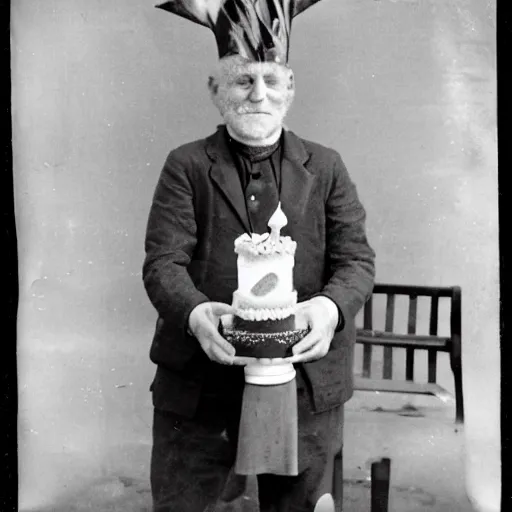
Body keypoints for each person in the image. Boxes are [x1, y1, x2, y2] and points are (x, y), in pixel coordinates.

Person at [143, 1, 375, 511]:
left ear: (290, 89)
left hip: (305, 385)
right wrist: (195, 312)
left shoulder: (327, 167)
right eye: (243, 80)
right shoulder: (186, 166)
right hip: (202, 385)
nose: (259, 94)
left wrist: (329, 309)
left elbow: (356, 260)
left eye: (271, 80)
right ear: (215, 90)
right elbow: (163, 263)